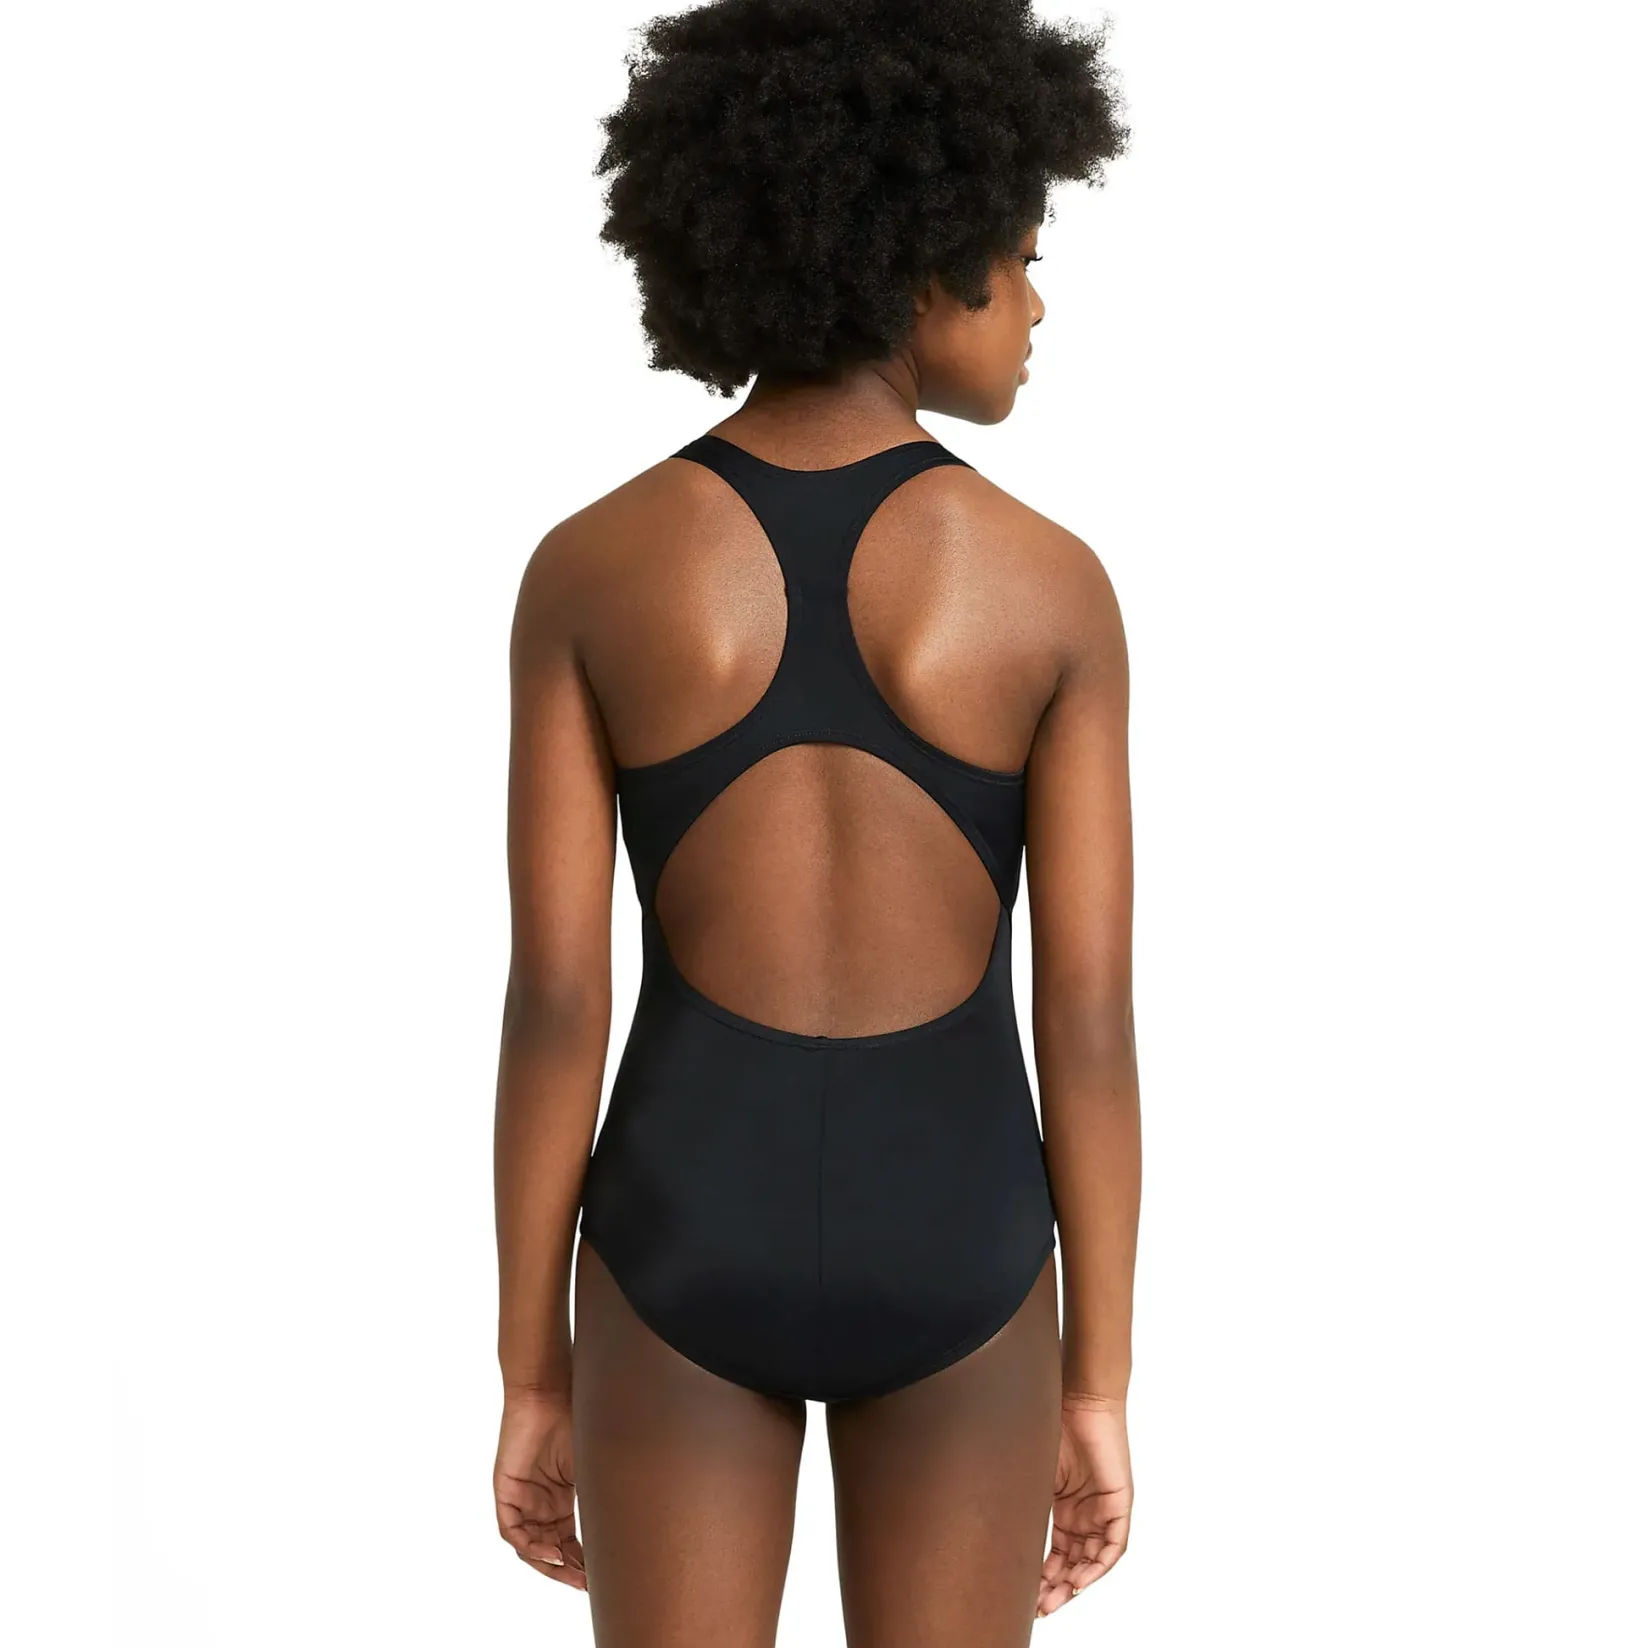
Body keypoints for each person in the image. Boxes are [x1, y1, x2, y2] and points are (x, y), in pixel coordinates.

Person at [491, 2, 1138, 1642]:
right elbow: (1087, 1021)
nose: (1038, 305)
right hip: (964, 1246)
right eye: (1019, 258)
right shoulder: (1051, 589)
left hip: (679, 1237)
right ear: (920, 262)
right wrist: (1098, 1386)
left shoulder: (592, 568)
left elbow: (557, 1001)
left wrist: (531, 1368)